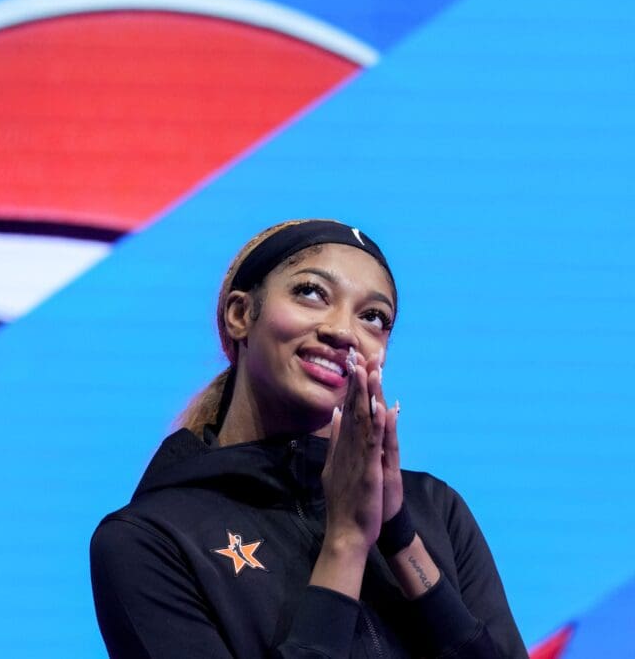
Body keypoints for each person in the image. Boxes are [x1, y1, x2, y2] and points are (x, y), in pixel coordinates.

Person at [89, 220, 527, 658]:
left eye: (373, 317)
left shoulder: (436, 510)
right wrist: (347, 542)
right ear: (241, 314)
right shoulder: (148, 540)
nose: (343, 331)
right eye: (312, 293)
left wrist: (399, 537)